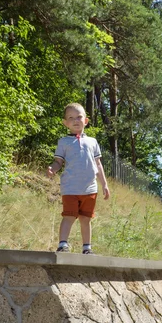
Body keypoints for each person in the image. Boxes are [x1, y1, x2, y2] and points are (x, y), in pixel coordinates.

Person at [47, 103, 110, 253]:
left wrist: (104, 185)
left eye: (79, 117)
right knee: (69, 216)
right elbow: (58, 162)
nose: (75, 120)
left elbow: (98, 164)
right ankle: (63, 245)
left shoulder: (92, 142)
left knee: (85, 218)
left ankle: (87, 248)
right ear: (65, 123)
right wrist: (52, 169)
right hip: (70, 188)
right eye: (71, 118)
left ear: (86, 121)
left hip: (90, 188)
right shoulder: (63, 142)